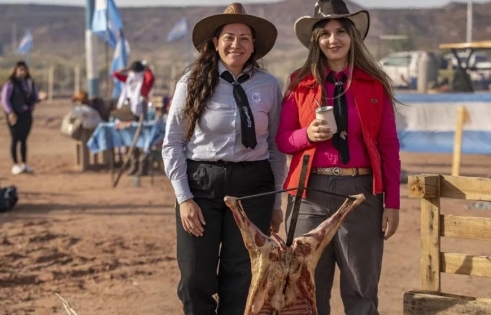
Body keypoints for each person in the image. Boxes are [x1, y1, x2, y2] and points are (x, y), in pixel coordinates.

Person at [275, 1, 401, 314]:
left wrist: (393, 203)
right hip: (309, 195)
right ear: (316, 41)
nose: (334, 39)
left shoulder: (375, 85)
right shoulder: (299, 84)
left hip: (361, 195)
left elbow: (389, 146)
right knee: (308, 289)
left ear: (352, 37)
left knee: (361, 289)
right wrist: (308, 136)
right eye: (326, 33)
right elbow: (282, 140)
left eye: (341, 31)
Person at [162, 3, 286, 315]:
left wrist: (274, 204)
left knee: (241, 275)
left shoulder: (269, 86)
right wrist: (184, 198)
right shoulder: (191, 82)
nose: (236, 44)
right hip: (201, 184)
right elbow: (173, 143)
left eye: (244, 38)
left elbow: (274, 146)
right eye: (228, 37)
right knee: (194, 277)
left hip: (253, 186)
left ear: (254, 45)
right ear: (215, 42)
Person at [0, 61, 45, 175]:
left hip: (26, 114)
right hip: (14, 114)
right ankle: (15, 164)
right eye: (20, 70)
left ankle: (24, 163)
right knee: (15, 139)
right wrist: (10, 112)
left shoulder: (30, 83)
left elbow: (34, 97)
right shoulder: (10, 84)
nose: (23, 72)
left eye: (24, 70)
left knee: (24, 139)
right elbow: (4, 100)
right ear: (16, 71)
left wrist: (40, 98)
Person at [113, 61, 156, 176]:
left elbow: (150, 78)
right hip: (129, 112)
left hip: (141, 113)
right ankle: (134, 164)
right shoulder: (129, 79)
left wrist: (147, 69)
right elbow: (116, 74)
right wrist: (126, 69)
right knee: (132, 139)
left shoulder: (145, 81)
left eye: (136, 71)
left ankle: (142, 167)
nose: (134, 74)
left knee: (142, 140)